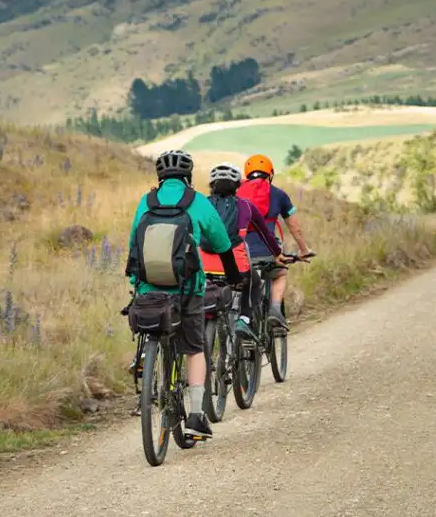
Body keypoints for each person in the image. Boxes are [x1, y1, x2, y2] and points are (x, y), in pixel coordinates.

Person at [125, 149, 243, 440]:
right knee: (194, 348)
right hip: (188, 289)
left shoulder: (147, 201)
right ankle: (195, 415)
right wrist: (234, 276)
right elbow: (221, 243)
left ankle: (144, 361)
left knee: (151, 320)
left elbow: (132, 245)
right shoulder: (197, 201)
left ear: (159, 177)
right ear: (188, 176)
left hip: (149, 288)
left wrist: (135, 280)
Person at [198, 162, 283, 339]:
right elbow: (266, 234)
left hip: (203, 266)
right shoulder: (245, 206)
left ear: (212, 185)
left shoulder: (201, 204)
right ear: (238, 185)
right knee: (254, 281)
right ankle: (244, 319)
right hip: (235, 266)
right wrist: (278, 253)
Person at [237, 154, 315, 335]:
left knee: (241, 282)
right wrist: (304, 250)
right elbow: (294, 227)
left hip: (240, 253)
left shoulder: (237, 194)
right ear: (270, 174)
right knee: (280, 273)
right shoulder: (279, 195)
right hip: (268, 252)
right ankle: (274, 309)